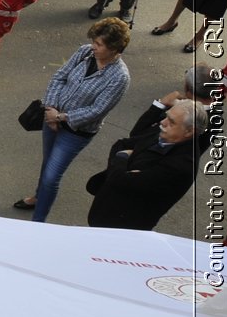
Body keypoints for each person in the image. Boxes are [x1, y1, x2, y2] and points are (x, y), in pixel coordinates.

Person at [15, 18, 133, 221]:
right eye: (94, 41)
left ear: (115, 48)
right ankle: (38, 196)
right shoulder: (84, 52)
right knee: (48, 162)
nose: (93, 47)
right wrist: (51, 110)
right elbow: (59, 77)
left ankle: (38, 221)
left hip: (76, 132)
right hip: (51, 118)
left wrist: (60, 117)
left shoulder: (119, 77)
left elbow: (98, 110)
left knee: (52, 176)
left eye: (99, 44)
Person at [87, 102, 207, 230]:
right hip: (103, 208)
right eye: (166, 116)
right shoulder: (165, 133)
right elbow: (121, 144)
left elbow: (120, 180)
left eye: (171, 122)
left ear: (189, 132)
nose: (163, 122)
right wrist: (123, 166)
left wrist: (122, 157)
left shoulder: (182, 165)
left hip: (124, 225)